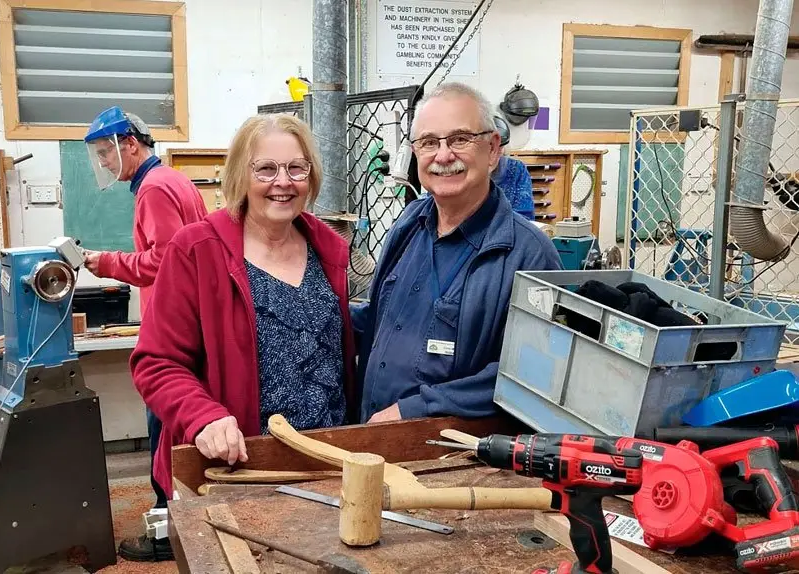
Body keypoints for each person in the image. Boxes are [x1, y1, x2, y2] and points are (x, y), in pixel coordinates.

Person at [129, 112, 358, 515]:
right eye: (266, 169)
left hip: (327, 462)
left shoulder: (328, 249)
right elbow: (157, 361)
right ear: (240, 175)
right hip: (240, 468)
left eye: (296, 168)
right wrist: (202, 417)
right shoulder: (198, 249)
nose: (283, 182)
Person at [351, 82, 562, 424]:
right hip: (371, 436)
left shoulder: (530, 256)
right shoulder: (409, 223)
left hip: (452, 457)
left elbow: (532, 374)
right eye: (429, 142)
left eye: (460, 139)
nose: (443, 155)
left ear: (493, 149)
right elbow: (378, 318)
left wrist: (413, 409)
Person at [80, 106, 208, 562]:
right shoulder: (173, 181)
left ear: (129, 144)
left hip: (172, 331)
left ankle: (163, 536)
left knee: (164, 432)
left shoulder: (153, 188)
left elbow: (163, 262)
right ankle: (185, 525)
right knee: (176, 433)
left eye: (106, 153)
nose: (106, 163)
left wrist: (106, 262)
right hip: (189, 323)